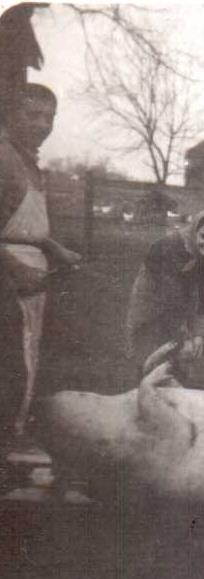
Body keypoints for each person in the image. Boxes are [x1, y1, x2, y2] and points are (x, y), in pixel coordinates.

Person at [0, 83, 81, 443]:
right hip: (9, 281)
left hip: (30, 281)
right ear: (10, 114)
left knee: (27, 365)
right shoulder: (2, 157)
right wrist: (16, 270)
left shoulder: (27, 161)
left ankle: (10, 444)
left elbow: (19, 225)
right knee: (11, 371)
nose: (43, 124)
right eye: (33, 115)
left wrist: (53, 248)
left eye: (49, 117)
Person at [126, 210, 204, 380]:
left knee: (179, 365)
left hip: (180, 305)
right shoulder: (169, 247)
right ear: (194, 232)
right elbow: (172, 297)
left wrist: (199, 334)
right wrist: (186, 335)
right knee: (151, 361)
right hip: (152, 304)